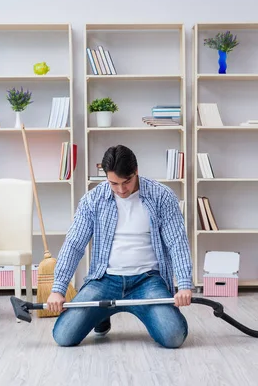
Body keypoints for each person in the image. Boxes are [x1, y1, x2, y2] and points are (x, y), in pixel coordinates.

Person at [47, 145, 193, 348]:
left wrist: (184, 285)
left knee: (173, 337)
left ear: (136, 171)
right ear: (105, 176)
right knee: (63, 336)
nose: (121, 190)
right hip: (104, 280)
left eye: (127, 182)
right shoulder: (93, 199)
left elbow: (177, 242)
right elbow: (74, 244)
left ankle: (143, 311)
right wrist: (58, 289)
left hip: (147, 280)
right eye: (113, 183)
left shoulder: (162, 196)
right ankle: (100, 314)